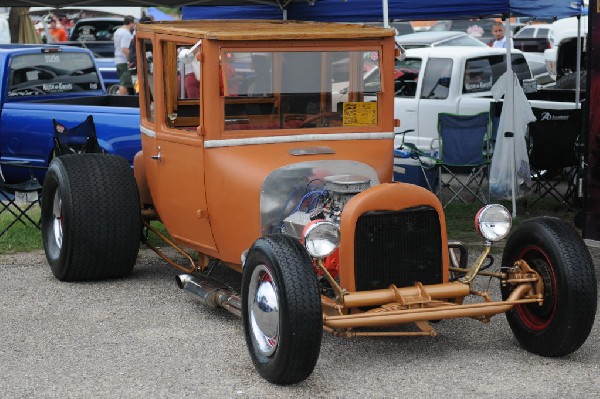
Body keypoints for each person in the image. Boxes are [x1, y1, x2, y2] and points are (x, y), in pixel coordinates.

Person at [114, 15, 136, 95]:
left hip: (118, 60)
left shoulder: (118, 31)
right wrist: (131, 60)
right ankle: (122, 100)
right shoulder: (126, 33)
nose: (134, 26)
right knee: (124, 83)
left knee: (125, 82)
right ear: (130, 23)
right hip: (124, 61)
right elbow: (125, 48)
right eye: (134, 24)